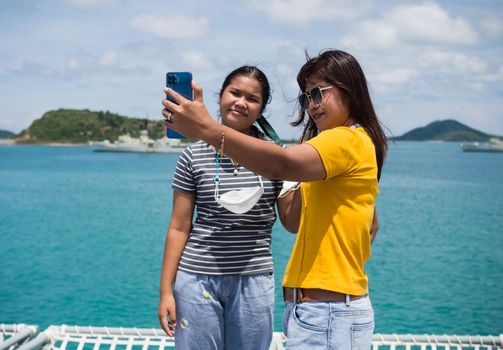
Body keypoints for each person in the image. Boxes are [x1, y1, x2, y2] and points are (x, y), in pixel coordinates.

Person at [162, 49, 387, 349]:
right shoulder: (337, 146)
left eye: (318, 93)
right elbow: (368, 223)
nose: (312, 106)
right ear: (220, 96)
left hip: (320, 307)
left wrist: (207, 129)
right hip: (312, 306)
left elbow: (283, 172)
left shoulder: (339, 141)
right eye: (307, 98)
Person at [158, 66, 295, 350]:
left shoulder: (275, 156)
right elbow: (179, 226)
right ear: (220, 96)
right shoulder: (192, 156)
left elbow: (292, 223)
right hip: (197, 280)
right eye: (235, 93)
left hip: (254, 282)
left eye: (252, 98)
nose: (241, 102)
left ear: (261, 109)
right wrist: (165, 293)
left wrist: (302, 179)